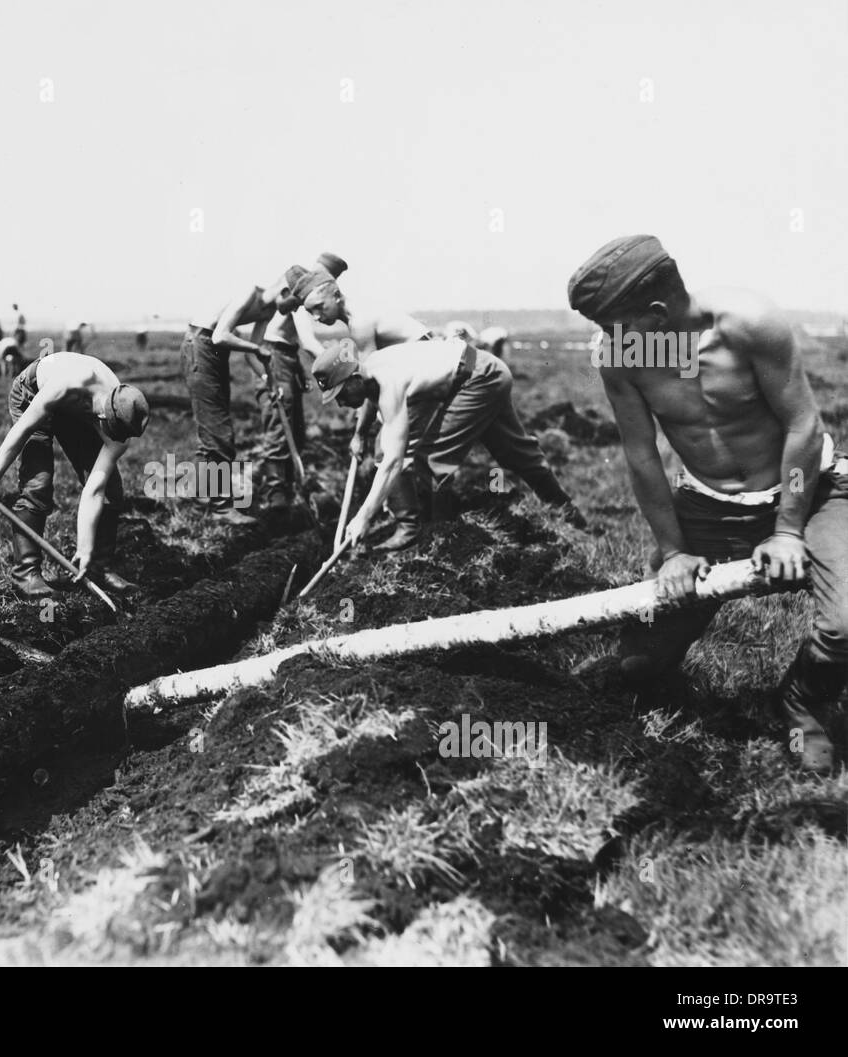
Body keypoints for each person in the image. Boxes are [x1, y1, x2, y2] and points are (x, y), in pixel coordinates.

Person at [568, 234, 848, 774]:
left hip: (813, 493)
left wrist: (788, 530)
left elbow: (803, 425)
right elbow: (642, 457)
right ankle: (669, 674)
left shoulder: (750, 323)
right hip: (710, 508)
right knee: (636, 665)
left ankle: (801, 700)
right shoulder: (619, 357)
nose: (605, 340)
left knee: (844, 627)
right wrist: (673, 550)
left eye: (613, 327)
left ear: (656, 311)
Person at [317, 330, 584, 553]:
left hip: (479, 378)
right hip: (485, 371)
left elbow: (393, 460)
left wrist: (364, 516)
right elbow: (368, 395)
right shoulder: (369, 368)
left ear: (353, 378)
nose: (340, 403)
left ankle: (438, 541)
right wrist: (360, 433)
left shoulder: (389, 382)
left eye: (340, 393)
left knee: (431, 459)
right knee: (515, 453)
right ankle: (568, 513)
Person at [0, 351, 150, 600]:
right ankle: (26, 575)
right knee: (38, 484)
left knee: (110, 489)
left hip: (75, 408)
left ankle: (98, 568)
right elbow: (23, 430)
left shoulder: (121, 431)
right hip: (33, 392)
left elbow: (94, 489)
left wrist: (84, 549)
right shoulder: (67, 383)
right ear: (101, 417)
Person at [182, 256, 348, 525]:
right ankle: (222, 508)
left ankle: (203, 496)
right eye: (293, 303)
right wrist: (256, 350)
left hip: (213, 352)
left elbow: (252, 356)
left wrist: (267, 379)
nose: (292, 311)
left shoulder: (270, 310)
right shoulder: (250, 293)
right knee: (218, 431)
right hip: (200, 346)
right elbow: (220, 336)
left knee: (213, 429)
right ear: (284, 292)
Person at [255, 253, 349, 512]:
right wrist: (339, 367)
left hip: (286, 357)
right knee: (279, 425)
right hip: (274, 357)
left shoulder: (303, 290)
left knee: (294, 427)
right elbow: (307, 342)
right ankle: (276, 496)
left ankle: (289, 488)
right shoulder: (300, 292)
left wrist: (298, 371)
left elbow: (295, 341)